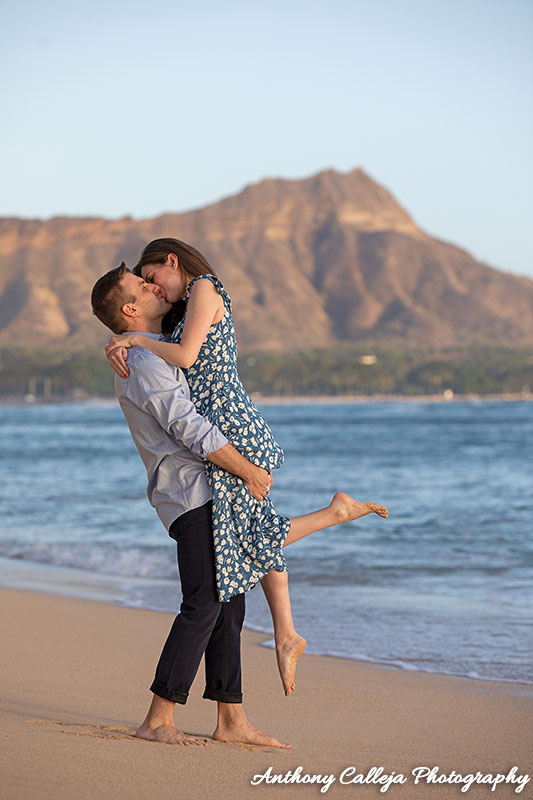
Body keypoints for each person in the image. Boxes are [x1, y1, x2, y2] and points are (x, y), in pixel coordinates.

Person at [105, 239, 388, 696]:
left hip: (231, 428)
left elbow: (185, 358)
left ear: (170, 261)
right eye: (144, 285)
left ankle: (318, 555)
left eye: (151, 275)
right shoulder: (171, 322)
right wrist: (123, 339)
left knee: (246, 543)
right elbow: (159, 347)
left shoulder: (203, 289)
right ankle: (285, 633)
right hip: (220, 435)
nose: (153, 287)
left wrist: (131, 337)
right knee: (244, 546)